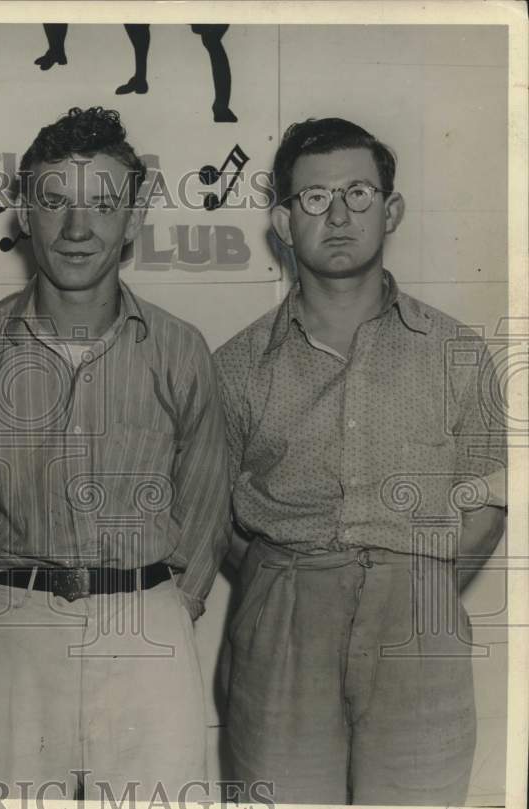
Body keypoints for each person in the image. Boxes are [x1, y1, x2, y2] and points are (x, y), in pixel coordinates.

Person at [0, 106, 230, 800]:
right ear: (24, 214)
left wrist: (170, 603)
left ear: (134, 216)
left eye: (101, 204)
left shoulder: (180, 349)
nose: (77, 227)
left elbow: (207, 499)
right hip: (12, 629)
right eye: (54, 202)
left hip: (146, 628)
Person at [214, 117, 507, 805]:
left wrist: (416, 583)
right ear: (283, 221)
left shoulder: (457, 352)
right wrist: (285, 587)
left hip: (419, 634)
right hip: (282, 624)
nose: (339, 214)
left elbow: (487, 506)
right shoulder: (234, 367)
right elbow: (214, 516)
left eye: (358, 193)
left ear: (391, 209)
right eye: (314, 198)